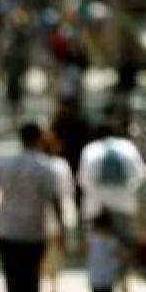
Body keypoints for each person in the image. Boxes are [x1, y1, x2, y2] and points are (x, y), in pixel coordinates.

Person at [0, 123, 65, 292]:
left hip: (7, 228)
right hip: (33, 229)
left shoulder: (4, 163)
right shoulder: (45, 166)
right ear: (39, 138)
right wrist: (61, 224)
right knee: (32, 275)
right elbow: (54, 199)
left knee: (11, 275)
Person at [77, 124, 146, 292]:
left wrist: (99, 195)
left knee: (98, 245)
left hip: (97, 206)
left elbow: (83, 178)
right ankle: (123, 278)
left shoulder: (90, 149)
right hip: (124, 203)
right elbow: (141, 174)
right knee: (123, 243)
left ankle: (99, 280)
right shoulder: (128, 147)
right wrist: (126, 191)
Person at [40, 128, 76, 292]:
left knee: (40, 252)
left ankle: (42, 285)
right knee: (55, 251)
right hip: (57, 212)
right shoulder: (61, 165)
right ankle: (54, 287)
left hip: (38, 214)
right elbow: (68, 191)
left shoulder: (38, 164)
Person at [50, 99, 92, 234]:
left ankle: (80, 219)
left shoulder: (81, 123)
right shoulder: (58, 123)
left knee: (79, 193)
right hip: (64, 163)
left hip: (78, 162)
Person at [87, 212, 121, 292]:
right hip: (97, 276)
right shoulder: (92, 240)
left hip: (107, 276)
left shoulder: (112, 241)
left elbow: (118, 255)